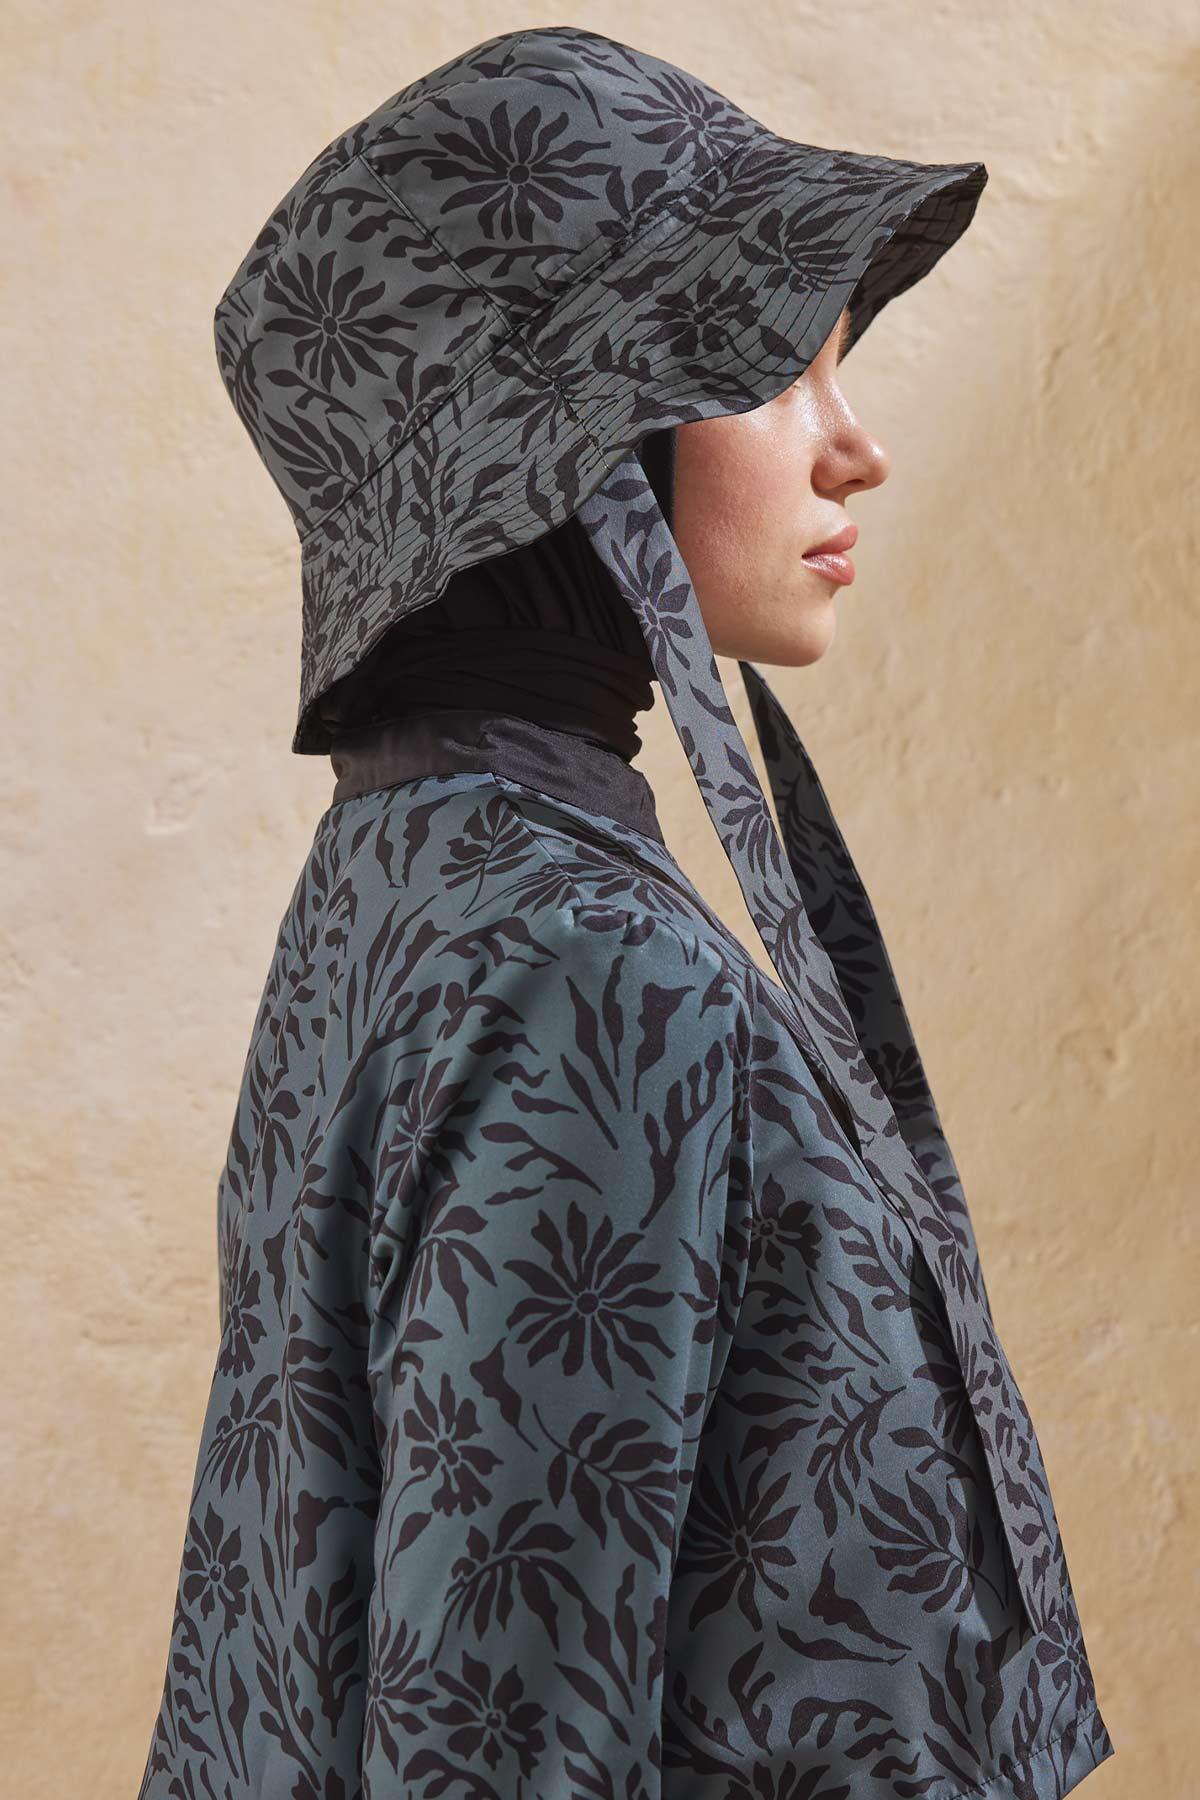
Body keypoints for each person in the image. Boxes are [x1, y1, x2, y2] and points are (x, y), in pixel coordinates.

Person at [137, 26, 1114, 1799]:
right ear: (566, 439)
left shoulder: (405, 866)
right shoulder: (593, 967)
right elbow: (500, 1741)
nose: (856, 450)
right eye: (778, 371)